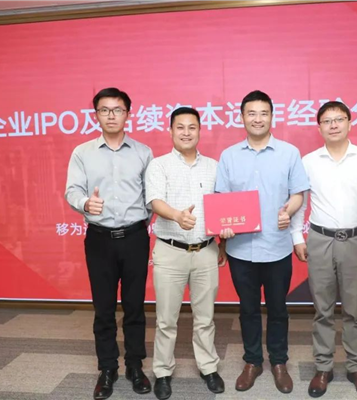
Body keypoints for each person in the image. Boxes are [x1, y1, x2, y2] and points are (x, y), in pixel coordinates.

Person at [215, 90, 309, 394]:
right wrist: (223, 229)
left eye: (263, 113)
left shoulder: (289, 153)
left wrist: (288, 211)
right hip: (241, 249)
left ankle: (279, 362)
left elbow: (298, 193)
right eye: (251, 113)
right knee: (248, 309)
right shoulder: (229, 156)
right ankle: (253, 361)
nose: (258, 119)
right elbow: (221, 200)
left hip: (277, 246)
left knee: (278, 309)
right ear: (242, 117)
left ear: (272, 117)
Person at [65, 87, 153, 400]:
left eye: (117, 110)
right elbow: (72, 190)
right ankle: (107, 368)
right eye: (105, 110)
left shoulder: (143, 152)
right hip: (100, 239)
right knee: (103, 308)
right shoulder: (82, 152)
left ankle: (135, 365)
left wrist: (140, 222)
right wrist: (85, 204)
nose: (111, 115)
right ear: (96, 115)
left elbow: (152, 197)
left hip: (135, 238)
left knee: (134, 306)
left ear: (128, 114)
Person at [291, 101, 357, 400]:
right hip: (320, 240)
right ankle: (323, 367)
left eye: (339, 119)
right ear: (319, 128)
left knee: (355, 309)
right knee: (322, 308)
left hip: (355, 240)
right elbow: (300, 203)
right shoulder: (308, 161)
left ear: (349, 123)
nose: (333, 125)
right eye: (327, 121)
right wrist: (297, 238)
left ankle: (356, 367)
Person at [145, 107, 226, 400]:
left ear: (200, 131)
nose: (186, 132)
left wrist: (223, 243)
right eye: (180, 127)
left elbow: (223, 207)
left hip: (206, 250)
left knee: (205, 316)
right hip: (171, 250)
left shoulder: (215, 167)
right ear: (170, 131)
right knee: (166, 318)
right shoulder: (159, 165)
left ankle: (208, 367)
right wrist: (177, 215)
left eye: (192, 127)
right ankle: (163, 372)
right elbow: (155, 201)